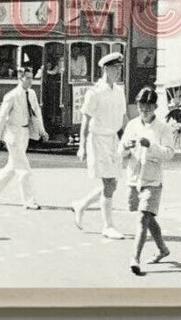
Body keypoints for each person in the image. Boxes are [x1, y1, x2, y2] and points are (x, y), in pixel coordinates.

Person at [121, 86, 176, 276]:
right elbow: (121, 151)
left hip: (153, 179)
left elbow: (169, 153)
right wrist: (126, 147)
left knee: (142, 218)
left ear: (155, 108)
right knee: (146, 215)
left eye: (148, 108)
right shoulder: (132, 125)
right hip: (134, 177)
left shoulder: (163, 128)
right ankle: (162, 248)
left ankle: (135, 258)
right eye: (141, 107)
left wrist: (151, 146)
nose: (144, 111)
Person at [73, 51, 127, 240]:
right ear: (106, 69)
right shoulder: (94, 93)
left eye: (120, 68)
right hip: (98, 140)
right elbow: (85, 121)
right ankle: (108, 226)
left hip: (113, 140)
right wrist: (81, 146)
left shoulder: (119, 91)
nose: (119, 72)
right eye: (115, 68)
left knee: (114, 183)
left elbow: (123, 118)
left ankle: (81, 204)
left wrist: (127, 140)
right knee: (108, 182)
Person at [0, 65, 47, 210]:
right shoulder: (11, 96)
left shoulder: (31, 94)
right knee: (24, 169)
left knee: (13, 166)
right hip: (13, 135)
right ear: (20, 78)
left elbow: (36, 113)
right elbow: (1, 117)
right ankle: (29, 201)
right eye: (28, 78)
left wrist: (42, 131)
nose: (31, 81)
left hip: (24, 134)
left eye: (32, 78)